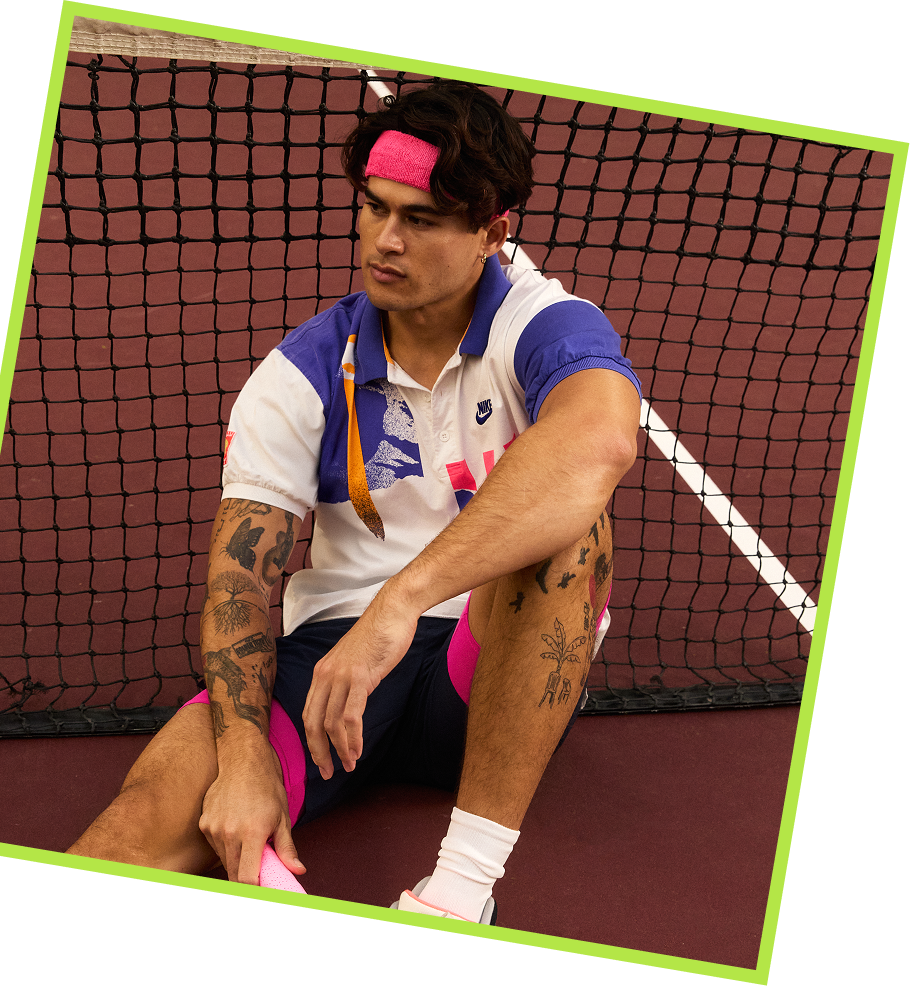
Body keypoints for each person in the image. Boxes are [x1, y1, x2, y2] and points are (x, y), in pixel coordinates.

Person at [68, 79, 643, 924]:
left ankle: (458, 895)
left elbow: (599, 440)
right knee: (125, 840)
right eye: (373, 208)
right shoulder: (301, 371)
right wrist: (241, 753)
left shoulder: (543, 325)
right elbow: (238, 586)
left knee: (569, 533)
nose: (385, 240)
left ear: (492, 232)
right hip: (333, 677)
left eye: (422, 219)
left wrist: (402, 602)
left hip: (487, 665)